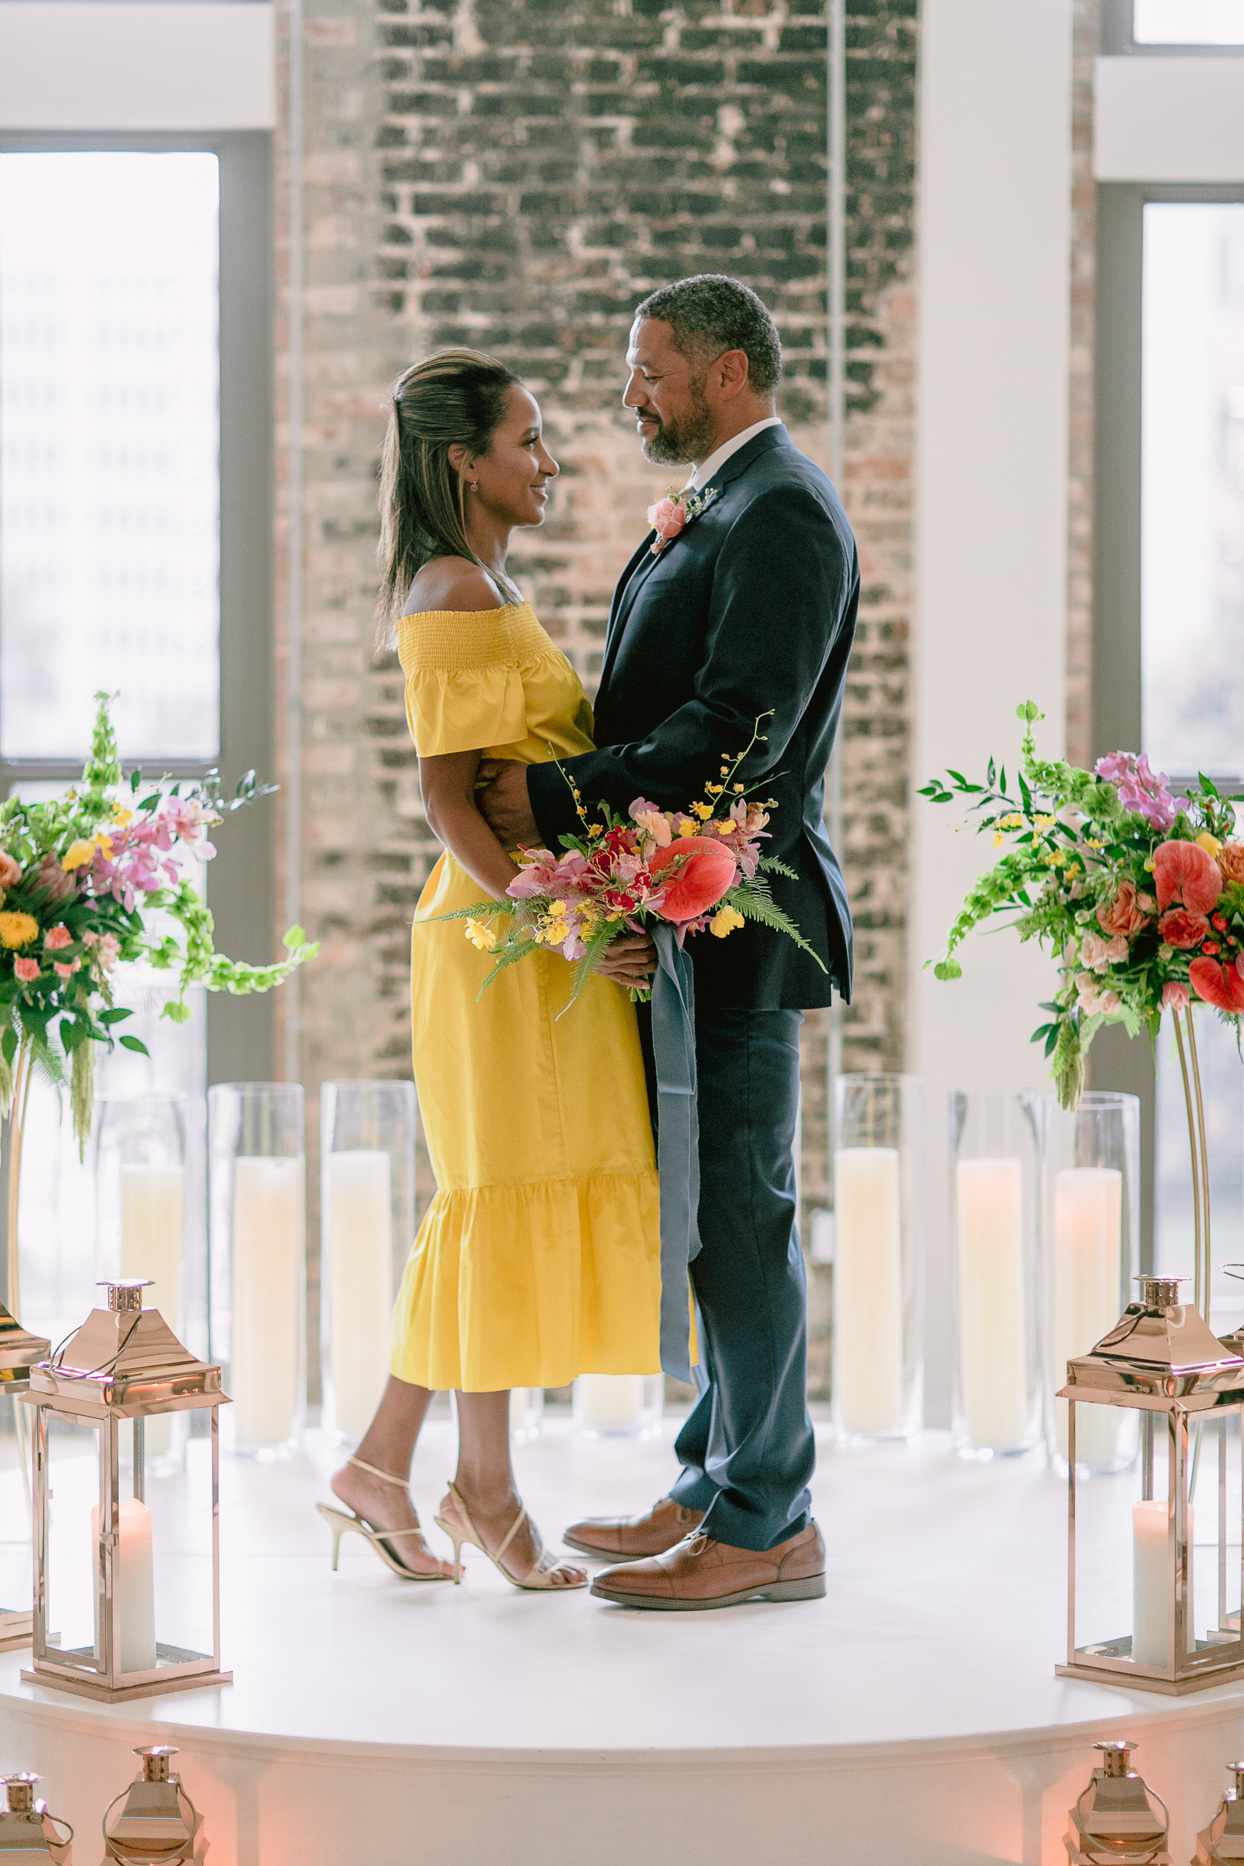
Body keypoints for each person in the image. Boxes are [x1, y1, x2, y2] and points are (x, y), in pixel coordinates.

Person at [477, 276, 857, 1611]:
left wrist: (556, 797)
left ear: (730, 371)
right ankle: (711, 1476)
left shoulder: (785, 512)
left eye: (652, 371)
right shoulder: (720, 503)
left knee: (744, 1212)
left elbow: (742, 722)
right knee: (705, 1210)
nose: (631, 392)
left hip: (743, 917)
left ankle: (772, 1517)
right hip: (685, 908)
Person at [319, 349, 663, 1594]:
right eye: (528, 440)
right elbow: (449, 804)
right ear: (465, 458)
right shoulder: (454, 594)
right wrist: (560, 923)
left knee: (492, 1208)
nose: (548, 460)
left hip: (523, 939)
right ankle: (466, 1486)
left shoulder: (481, 583)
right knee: (491, 1205)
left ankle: (417, 1473)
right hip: (494, 945)